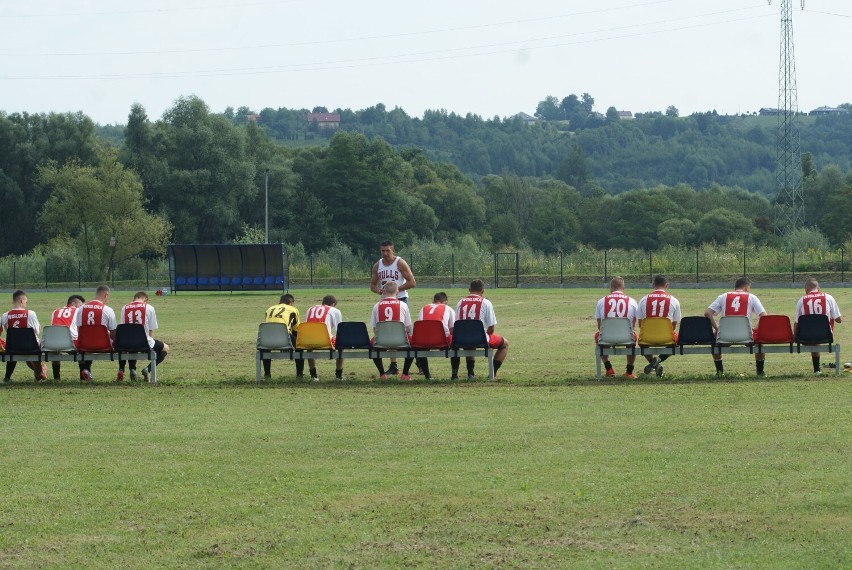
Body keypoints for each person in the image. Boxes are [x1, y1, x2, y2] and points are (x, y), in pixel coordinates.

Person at [704, 277, 768, 376]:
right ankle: (760, 372)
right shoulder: (751, 297)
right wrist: (755, 329)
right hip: (746, 336)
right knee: (759, 344)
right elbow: (764, 316)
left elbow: (707, 313)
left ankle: (720, 372)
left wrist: (717, 329)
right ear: (747, 288)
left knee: (714, 343)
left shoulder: (723, 296)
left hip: (725, 336)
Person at [370, 240, 416, 375]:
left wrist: (395, 290)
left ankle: (416, 359)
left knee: (406, 331)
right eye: (382, 251)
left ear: (393, 251)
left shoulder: (400, 263)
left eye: (387, 251)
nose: (385, 253)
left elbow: (412, 282)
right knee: (388, 331)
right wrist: (380, 291)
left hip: (400, 299)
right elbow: (372, 285)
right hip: (385, 301)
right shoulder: (378, 265)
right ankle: (394, 365)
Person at [453, 279, 508, 380]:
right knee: (505, 344)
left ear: (469, 290)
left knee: (469, 342)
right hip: (479, 339)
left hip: (461, 338)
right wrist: (483, 335)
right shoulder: (486, 302)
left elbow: (457, 324)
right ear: (483, 291)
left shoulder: (460, 302)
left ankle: (470, 373)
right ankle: (493, 373)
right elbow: (491, 329)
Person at [117, 291, 170, 382]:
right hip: (144, 342)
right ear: (145, 299)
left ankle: (132, 370)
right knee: (165, 348)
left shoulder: (124, 308)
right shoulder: (149, 308)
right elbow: (151, 329)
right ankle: (147, 369)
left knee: (132, 345)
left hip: (126, 343)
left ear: (134, 299)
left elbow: (123, 327)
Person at [636, 274, 681, 378]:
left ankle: (654, 363)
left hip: (647, 337)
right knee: (678, 340)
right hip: (667, 337)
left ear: (653, 285)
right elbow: (674, 324)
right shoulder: (674, 300)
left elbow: (640, 324)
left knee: (642, 343)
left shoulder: (643, 300)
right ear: (667, 285)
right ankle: (658, 360)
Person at [794, 278, 842, 374]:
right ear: (818, 288)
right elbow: (838, 320)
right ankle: (816, 370)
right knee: (820, 327)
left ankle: (817, 369)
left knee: (812, 330)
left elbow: (797, 323)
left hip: (805, 336)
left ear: (806, 290)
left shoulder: (801, 300)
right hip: (825, 335)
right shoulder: (829, 298)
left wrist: (795, 337)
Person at [595, 276, 639, 378]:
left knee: (597, 336)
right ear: (623, 287)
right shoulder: (632, 302)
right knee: (633, 336)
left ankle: (608, 368)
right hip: (627, 337)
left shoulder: (601, 301)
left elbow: (599, 326)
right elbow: (633, 325)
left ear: (611, 287)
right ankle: (629, 372)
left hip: (606, 337)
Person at [370, 282, 415, 380]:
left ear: (384, 292)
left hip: (381, 342)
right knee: (413, 347)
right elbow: (408, 328)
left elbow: (374, 328)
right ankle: (405, 374)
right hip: (401, 342)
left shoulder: (377, 306)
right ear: (398, 292)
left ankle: (382, 374)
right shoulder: (403, 305)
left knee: (373, 348)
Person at [72, 284, 117, 382]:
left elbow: (79, 329)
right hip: (103, 345)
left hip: (84, 345)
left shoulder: (81, 309)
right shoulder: (108, 310)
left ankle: (85, 372)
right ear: (106, 295)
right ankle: (124, 370)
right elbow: (113, 334)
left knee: (86, 344)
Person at [1, 289, 47, 382]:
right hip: (31, 348)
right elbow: (37, 331)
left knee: (19, 349)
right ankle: (39, 375)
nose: (26, 303)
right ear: (22, 300)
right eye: (25, 301)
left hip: (12, 348)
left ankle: (7, 377)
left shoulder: (5, 315)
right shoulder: (31, 314)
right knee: (34, 350)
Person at [415, 292, 456, 380]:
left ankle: (427, 376)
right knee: (455, 341)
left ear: (433, 301)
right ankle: (454, 375)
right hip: (441, 340)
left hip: (423, 340)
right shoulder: (448, 308)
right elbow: (452, 330)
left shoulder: (424, 308)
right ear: (445, 302)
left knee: (421, 348)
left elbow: (420, 326)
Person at [261, 293, 303, 379]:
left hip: (266, 339)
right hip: (284, 338)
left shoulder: (269, 309)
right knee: (300, 344)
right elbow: (296, 330)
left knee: (266, 350)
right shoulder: (293, 309)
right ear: (291, 303)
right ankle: (299, 375)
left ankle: (267, 375)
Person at [303, 294, 344, 381]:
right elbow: (339, 330)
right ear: (333, 304)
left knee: (309, 349)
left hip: (308, 340)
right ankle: (338, 375)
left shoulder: (310, 309)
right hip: (325, 340)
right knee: (341, 346)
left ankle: (313, 375)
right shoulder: (335, 310)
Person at [49, 294, 85, 381]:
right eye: (80, 305)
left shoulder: (55, 311)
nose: (81, 307)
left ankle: (56, 378)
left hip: (52, 343)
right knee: (83, 349)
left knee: (55, 352)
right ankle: (83, 378)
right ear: (73, 303)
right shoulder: (78, 311)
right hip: (70, 343)